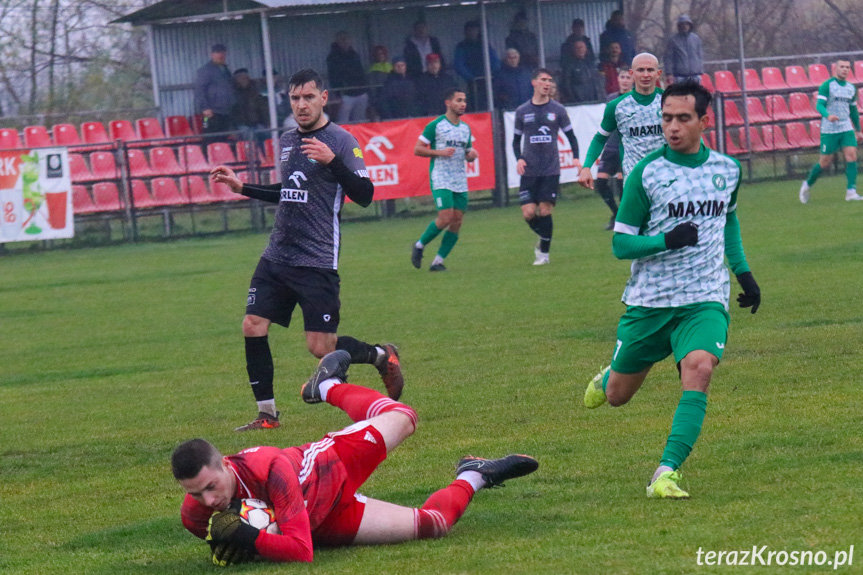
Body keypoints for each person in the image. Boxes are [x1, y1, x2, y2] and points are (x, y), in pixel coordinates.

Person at [173, 350, 538, 565]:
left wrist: (249, 539)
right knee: (436, 525)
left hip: (330, 466)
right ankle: (474, 474)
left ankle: (327, 386)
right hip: (322, 520)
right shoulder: (195, 515)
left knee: (405, 417)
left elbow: (298, 551)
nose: (208, 500)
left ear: (224, 464)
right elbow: (298, 546)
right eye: (195, 494)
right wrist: (242, 548)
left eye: (210, 487)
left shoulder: (269, 467)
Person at [582, 81, 761, 499]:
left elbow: (727, 221)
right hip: (651, 301)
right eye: (666, 119)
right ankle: (611, 373)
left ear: (704, 120)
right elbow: (620, 243)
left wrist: (744, 274)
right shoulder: (647, 174)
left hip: (704, 298)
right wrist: (666, 240)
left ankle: (665, 473)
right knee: (617, 397)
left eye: (683, 118)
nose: (673, 127)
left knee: (699, 368)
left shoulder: (727, 170)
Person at [209, 69, 403, 431]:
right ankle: (267, 414)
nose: (301, 105)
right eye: (295, 98)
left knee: (321, 348)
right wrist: (243, 187)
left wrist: (333, 161)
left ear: (324, 97)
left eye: (309, 97)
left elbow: (365, 196)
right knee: (252, 325)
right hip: (277, 256)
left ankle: (380, 355)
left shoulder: (342, 141)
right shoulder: (285, 140)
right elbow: (290, 190)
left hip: (316, 261)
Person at [512, 68, 582, 265]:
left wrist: (576, 158)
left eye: (550, 80)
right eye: (543, 80)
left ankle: (543, 254)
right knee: (528, 213)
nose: (547, 83)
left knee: (545, 211)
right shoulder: (522, 111)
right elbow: (515, 141)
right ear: (534, 83)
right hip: (530, 170)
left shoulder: (558, 110)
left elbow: (571, 137)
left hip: (551, 170)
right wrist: (519, 158)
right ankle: (545, 237)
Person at [411, 89, 478, 272]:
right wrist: (438, 152)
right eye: (458, 100)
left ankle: (438, 262)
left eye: (464, 100)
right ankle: (419, 245)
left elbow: (467, 154)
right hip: (441, 177)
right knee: (445, 217)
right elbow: (418, 149)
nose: (463, 104)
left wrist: (471, 155)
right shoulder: (437, 125)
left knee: (457, 221)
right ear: (448, 103)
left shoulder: (465, 128)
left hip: (459, 179)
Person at [578, 53, 665, 190]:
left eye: (650, 70)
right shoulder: (616, 105)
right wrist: (586, 167)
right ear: (632, 73)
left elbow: (689, 136)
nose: (646, 74)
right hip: (634, 183)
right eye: (640, 70)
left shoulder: (669, 102)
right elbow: (600, 138)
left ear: (658, 73)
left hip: (664, 180)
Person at [799, 58, 863, 203]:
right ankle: (807, 184)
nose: (845, 69)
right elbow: (819, 105)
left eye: (847, 67)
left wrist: (858, 130)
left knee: (852, 155)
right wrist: (828, 115)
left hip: (846, 127)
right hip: (829, 130)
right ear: (836, 68)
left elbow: (853, 110)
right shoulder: (827, 86)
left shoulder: (851, 88)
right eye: (842, 67)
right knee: (824, 162)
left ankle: (851, 192)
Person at [595, 68, 634, 230]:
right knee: (600, 183)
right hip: (611, 147)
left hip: (627, 148)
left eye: (627, 77)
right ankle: (616, 213)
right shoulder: (611, 99)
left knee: (621, 183)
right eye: (622, 77)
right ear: (617, 79)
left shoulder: (635, 99)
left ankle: (624, 220)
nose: (624, 80)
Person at [453, 20, 500, 112]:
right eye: (470, 30)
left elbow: (495, 61)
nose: (473, 33)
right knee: (474, 104)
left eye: (475, 30)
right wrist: (472, 78)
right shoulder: (462, 46)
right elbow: (459, 65)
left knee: (492, 102)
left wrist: (492, 74)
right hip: (472, 83)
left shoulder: (485, 44)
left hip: (489, 81)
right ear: (465, 32)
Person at [194, 43, 235, 144]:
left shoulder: (226, 70)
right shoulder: (205, 70)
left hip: (225, 111)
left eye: (222, 53)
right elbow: (199, 90)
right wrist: (205, 107)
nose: (220, 55)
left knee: (223, 138)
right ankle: (209, 158)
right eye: (217, 53)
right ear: (212, 54)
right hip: (211, 112)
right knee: (210, 138)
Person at [326, 31, 369, 123]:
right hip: (345, 94)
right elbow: (333, 77)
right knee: (343, 121)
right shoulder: (333, 57)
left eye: (347, 39)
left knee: (360, 121)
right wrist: (337, 93)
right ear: (337, 41)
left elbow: (361, 72)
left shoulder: (355, 55)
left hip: (360, 91)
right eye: (342, 39)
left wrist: (365, 88)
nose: (345, 42)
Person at [560, 40, 605, 104]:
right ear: (573, 50)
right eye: (577, 48)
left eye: (581, 47)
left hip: (594, 100)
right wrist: (573, 99)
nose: (580, 49)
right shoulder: (569, 66)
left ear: (586, 49)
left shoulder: (591, 64)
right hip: (578, 102)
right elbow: (566, 84)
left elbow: (598, 82)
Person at [232, 68, 269, 147]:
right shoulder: (232, 93)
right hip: (241, 125)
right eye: (240, 77)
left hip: (258, 123)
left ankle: (266, 157)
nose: (243, 79)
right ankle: (253, 158)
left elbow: (263, 108)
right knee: (249, 137)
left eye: (245, 77)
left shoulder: (256, 90)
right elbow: (230, 113)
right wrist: (232, 129)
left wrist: (268, 122)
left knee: (268, 135)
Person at [664, 14, 704, 85]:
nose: (685, 26)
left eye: (687, 24)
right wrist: (669, 73)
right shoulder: (673, 40)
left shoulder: (696, 38)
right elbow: (668, 58)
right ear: (679, 26)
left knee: (696, 95)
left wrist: (700, 69)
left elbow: (699, 55)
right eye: (682, 24)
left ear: (690, 25)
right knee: (681, 95)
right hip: (679, 76)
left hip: (695, 75)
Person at [367, 45, 393, 119]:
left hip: (392, 97)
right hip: (380, 98)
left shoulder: (391, 67)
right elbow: (372, 88)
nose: (381, 55)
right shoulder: (372, 70)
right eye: (379, 54)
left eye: (382, 53)